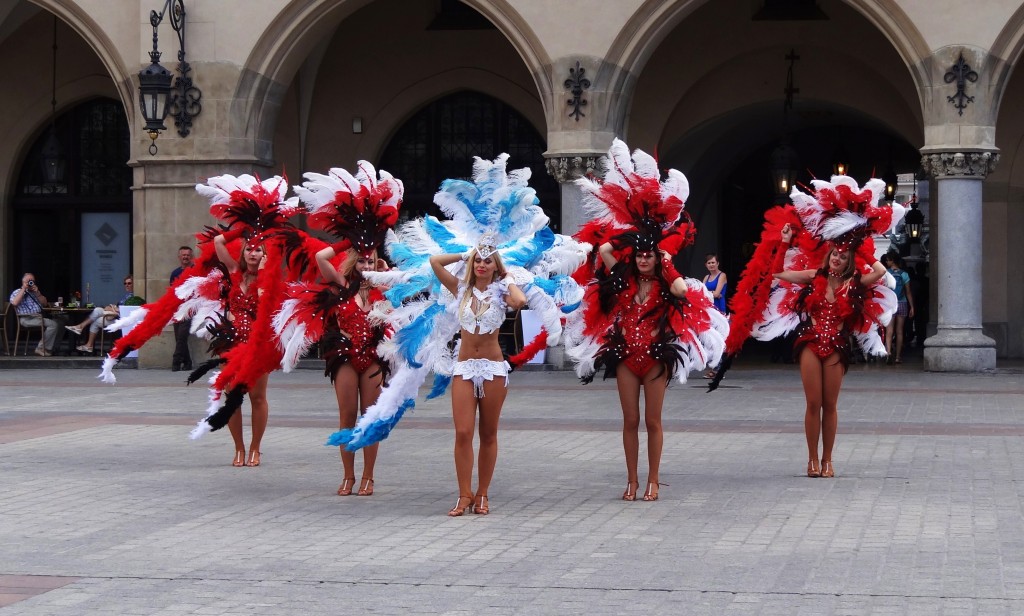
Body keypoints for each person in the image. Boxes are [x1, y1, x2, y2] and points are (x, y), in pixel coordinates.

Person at [565, 139, 727, 503]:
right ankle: (631, 481)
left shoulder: (667, 283)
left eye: (648, 255)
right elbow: (605, 249)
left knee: (653, 421)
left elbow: (683, 290)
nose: (642, 259)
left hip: (655, 358)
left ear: (656, 258)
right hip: (626, 356)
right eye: (638, 255)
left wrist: (665, 260)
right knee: (629, 421)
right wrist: (631, 236)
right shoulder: (621, 279)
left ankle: (653, 479)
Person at [774, 223, 887, 478]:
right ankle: (812, 459)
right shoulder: (814, 276)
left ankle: (827, 460)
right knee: (813, 403)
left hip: (836, 346)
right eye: (835, 253)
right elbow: (778, 272)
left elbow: (880, 271)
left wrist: (859, 248)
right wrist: (785, 241)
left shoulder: (854, 283)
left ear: (849, 261)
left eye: (843, 256)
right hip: (811, 343)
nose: (837, 258)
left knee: (830, 404)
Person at [430, 237, 527, 516]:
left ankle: (482, 493)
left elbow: (520, 301)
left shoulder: (502, 293)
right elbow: (435, 262)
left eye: (488, 261)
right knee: (463, 432)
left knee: (488, 433)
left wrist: (508, 278)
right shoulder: (460, 289)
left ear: (496, 266)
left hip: (492, 368)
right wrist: (465, 254)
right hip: (464, 367)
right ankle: (464, 495)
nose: (482, 265)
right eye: (478, 260)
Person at [316, 244, 391, 497]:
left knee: (371, 418)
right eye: (361, 261)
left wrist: (386, 272)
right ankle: (348, 475)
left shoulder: (382, 288)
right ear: (353, 262)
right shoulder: (342, 284)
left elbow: (404, 294)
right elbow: (320, 257)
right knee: (347, 417)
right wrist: (349, 241)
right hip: (346, 358)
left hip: (373, 359)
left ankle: (368, 476)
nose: (365, 266)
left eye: (370, 262)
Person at [214, 233, 269, 467]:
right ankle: (239, 448)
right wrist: (244, 227)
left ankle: (255, 448)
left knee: (257, 397)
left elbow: (266, 308)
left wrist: (264, 273)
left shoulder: (269, 278)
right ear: (243, 252)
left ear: (265, 255)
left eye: (258, 250)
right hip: (231, 345)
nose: (253, 253)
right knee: (232, 397)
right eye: (249, 249)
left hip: (257, 346)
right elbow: (218, 242)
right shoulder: (234, 271)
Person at [66, 275, 138, 354]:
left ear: (134, 284)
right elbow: (119, 307)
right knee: (96, 319)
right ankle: (88, 344)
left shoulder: (134, 296)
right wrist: (112, 307)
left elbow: (125, 310)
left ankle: (81, 328)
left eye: (129, 283)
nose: (127, 285)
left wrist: (112, 309)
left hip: (122, 320)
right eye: (125, 283)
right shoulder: (127, 295)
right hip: (115, 317)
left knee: (97, 312)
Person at [8, 272, 64, 356]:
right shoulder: (17, 292)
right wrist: (23, 289)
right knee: (53, 324)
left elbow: (45, 303)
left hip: (38, 317)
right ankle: (41, 348)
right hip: (26, 319)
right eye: (28, 281)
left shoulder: (34, 292)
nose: (31, 282)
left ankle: (53, 348)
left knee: (60, 323)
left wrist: (38, 293)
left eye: (32, 281)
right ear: (23, 281)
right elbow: (15, 303)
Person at [883, 255, 914, 364]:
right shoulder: (904, 274)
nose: (886, 262)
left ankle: (888, 352)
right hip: (902, 303)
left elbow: (882, 289)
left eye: (888, 260)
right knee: (900, 331)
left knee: (889, 331)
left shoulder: (886, 273)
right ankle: (898, 357)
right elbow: (908, 292)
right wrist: (912, 306)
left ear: (892, 261)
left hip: (889, 304)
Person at [702, 253, 728, 377]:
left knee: (719, 339)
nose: (711, 265)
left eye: (713, 262)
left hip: (719, 311)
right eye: (709, 263)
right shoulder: (706, 277)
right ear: (706, 265)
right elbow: (700, 293)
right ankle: (714, 368)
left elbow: (717, 293)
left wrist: (709, 293)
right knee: (710, 340)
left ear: (717, 263)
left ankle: (718, 370)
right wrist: (711, 294)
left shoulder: (722, 275)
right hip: (708, 311)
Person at [170, 246, 195, 371]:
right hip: (177, 309)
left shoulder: (195, 270)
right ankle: (187, 362)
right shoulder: (175, 273)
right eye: (183, 255)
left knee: (181, 336)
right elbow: (171, 291)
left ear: (191, 257)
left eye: (188, 255)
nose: (185, 257)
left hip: (190, 308)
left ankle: (176, 361)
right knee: (179, 337)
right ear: (179, 257)